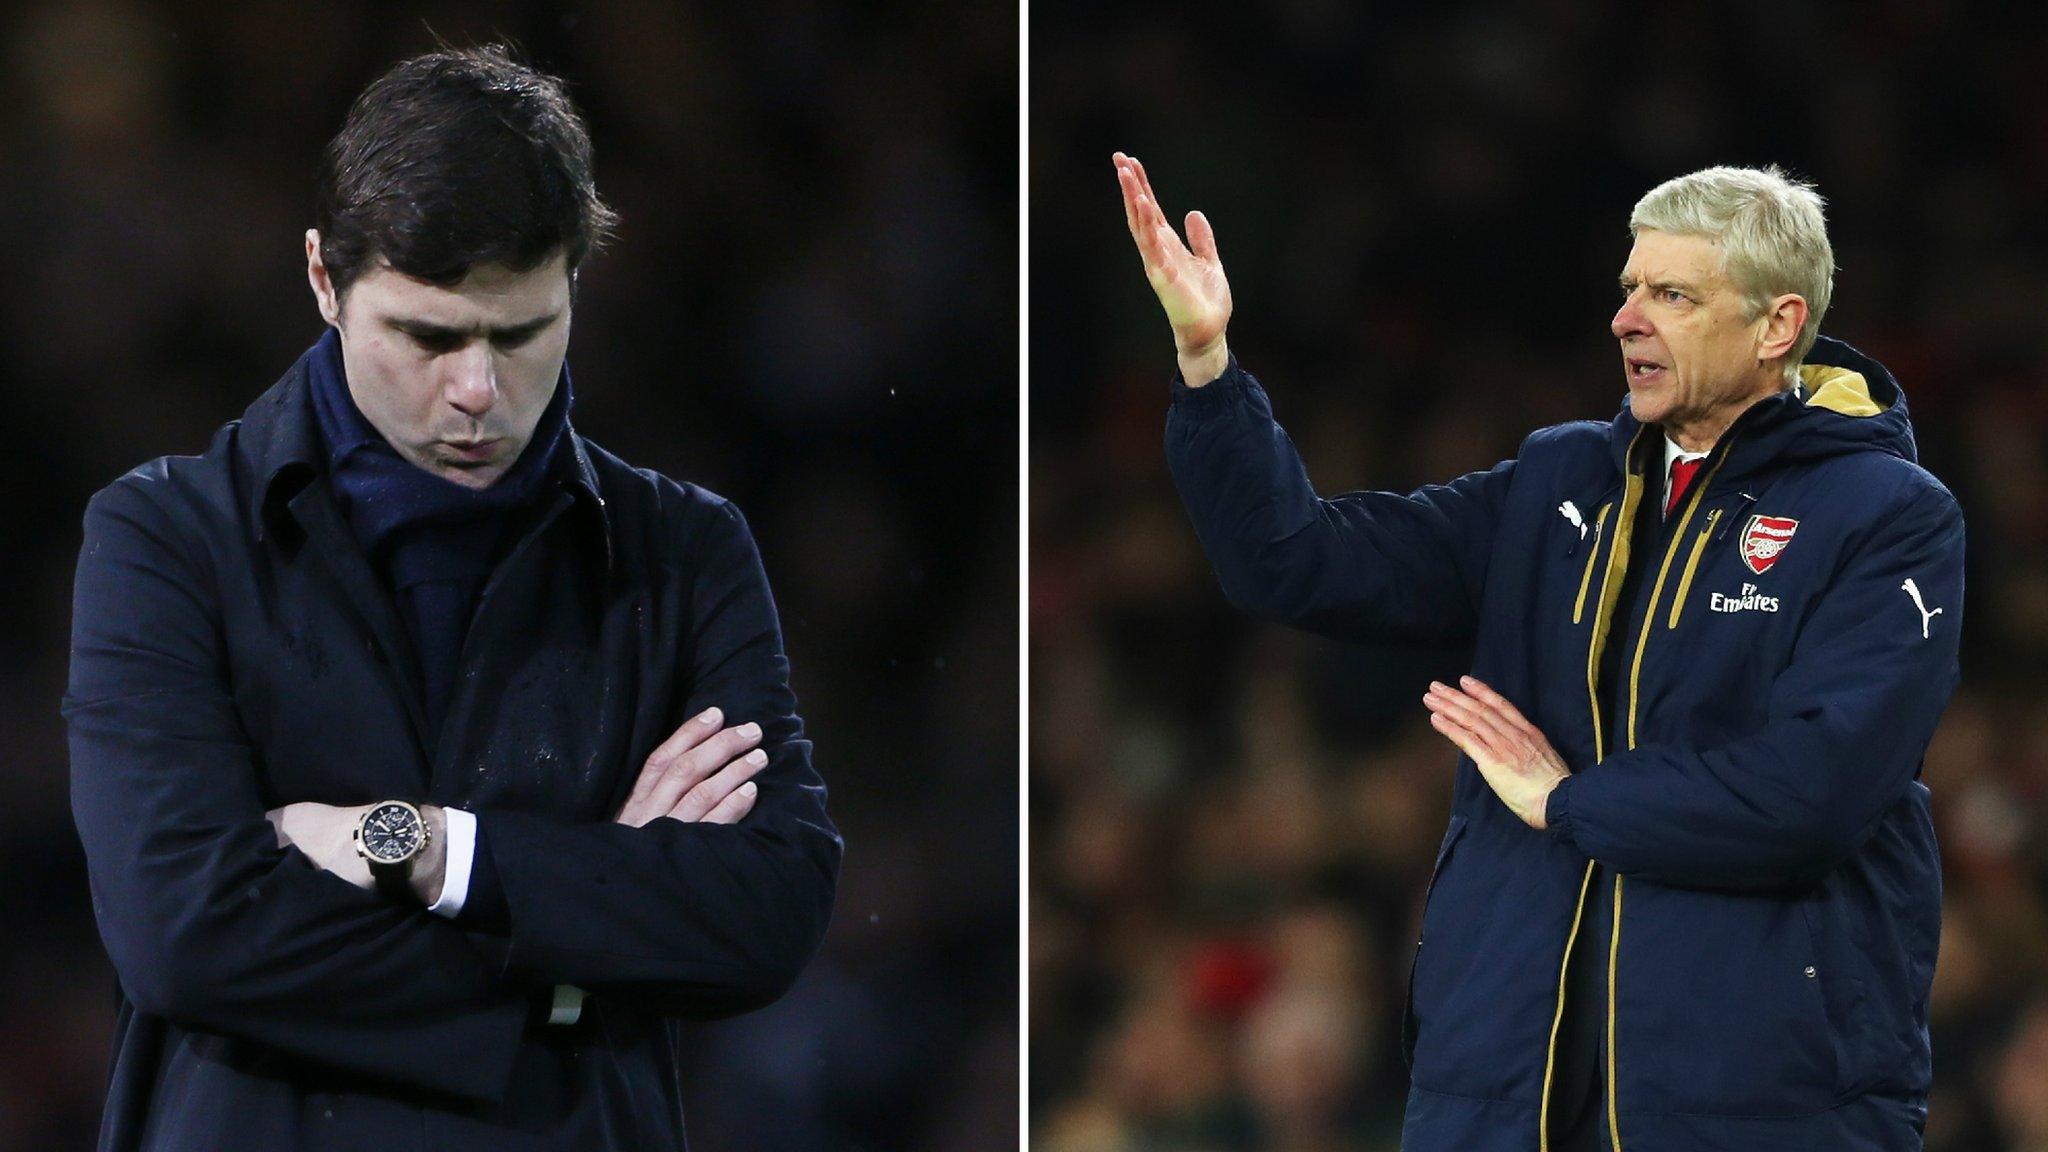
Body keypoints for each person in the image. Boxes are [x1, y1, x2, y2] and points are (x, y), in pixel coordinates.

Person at [64, 46, 840, 1151]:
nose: (477, 393)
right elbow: (183, 935)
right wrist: (574, 961)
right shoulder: (163, 540)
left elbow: (767, 910)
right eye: (428, 337)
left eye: (519, 334)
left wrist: (430, 850)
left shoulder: (684, 550)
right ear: (324, 282)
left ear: (576, 278)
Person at [1115, 152, 1963, 1150]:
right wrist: (1207, 366)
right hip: (1501, 1092)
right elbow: (1294, 564)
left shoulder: (1887, 517)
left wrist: (1568, 802)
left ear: (1775, 325)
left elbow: (1809, 794)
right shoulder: (1560, 483)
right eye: (1628, 289)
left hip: (1753, 1104)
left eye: (1670, 294)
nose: (1626, 318)